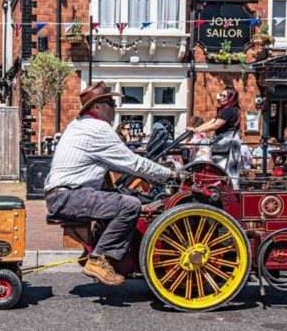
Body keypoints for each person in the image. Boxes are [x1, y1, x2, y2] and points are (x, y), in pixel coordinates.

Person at [44, 82, 176, 286]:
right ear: (97, 107)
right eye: (111, 103)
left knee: (120, 196)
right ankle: (98, 259)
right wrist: (169, 174)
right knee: (129, 205)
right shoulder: (98, 128)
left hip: (62, 194)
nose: (115, 108)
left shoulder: (79, 125)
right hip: (69, 196)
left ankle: (98, 249)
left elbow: (117, 166)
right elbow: (133, 163)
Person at [186, 87, 241, 188]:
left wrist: (197, 130)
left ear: (231, 98)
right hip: (227, 145)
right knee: (226, 172)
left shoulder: (228, 110)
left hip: (227, 146)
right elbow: (212, 122)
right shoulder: (229, 110)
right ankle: (230, 191)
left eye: (225, 96)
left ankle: (231, 193)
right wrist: (196, 129)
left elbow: (215, 125)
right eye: (221, 95)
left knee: (226, 171)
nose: (221, 98)